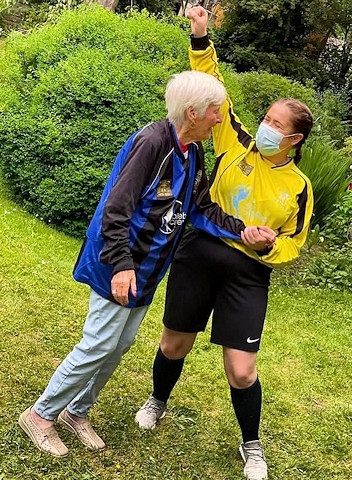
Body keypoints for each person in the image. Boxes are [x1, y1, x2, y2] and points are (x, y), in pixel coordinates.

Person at [18, 68, 253, 457]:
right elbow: (115, 208)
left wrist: (244, 231)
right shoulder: (152, 143)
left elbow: (200, 209)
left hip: (147, 271)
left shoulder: (191, 152)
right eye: (215, 110)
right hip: (118, 264)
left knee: (119, 344)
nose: (219, 117)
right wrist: (122, 264)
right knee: (98, 343)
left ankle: (76, 412)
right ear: (193, 112)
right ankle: (41, 416)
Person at [135, 6, 314, 480]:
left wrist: (265, 249)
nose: (267, 127)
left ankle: (252, 446)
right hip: (198, 256)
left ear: (293, 140)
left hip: (248, 275)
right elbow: (211, 82)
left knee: (241, 370)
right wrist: (200, 34)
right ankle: (157, 401)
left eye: (278, 125)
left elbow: (294, 243)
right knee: (174, 345)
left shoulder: (298, 187)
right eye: (267, 118)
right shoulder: (234, 142)